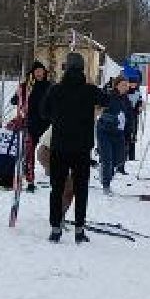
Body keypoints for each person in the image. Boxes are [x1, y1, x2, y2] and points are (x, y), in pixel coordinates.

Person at [42, 54, 102, 242]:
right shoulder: (90, 90)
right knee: (81, 189)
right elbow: (107, 100)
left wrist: (58, 117)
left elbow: (43, 112)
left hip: (59, 146)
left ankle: (55, 228)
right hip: (82, 148)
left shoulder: (56, 90)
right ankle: (79, 230)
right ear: (83, 69)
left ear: (66, 68)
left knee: (57, 188)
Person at [95, 74, 134, 192]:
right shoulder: (109, 96)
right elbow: (98, 108)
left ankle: (106, 175)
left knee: (119, 159)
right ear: (116, 86)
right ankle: (106, 184)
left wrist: (130, 131)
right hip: (104, 131)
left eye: (126, 85)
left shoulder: (126, 99)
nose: (125, 87)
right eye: (123, 85)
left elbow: (129, 116)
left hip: (119, 133)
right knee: (108, 159)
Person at [17, 61, 50, 190]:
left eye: (41, 71)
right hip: (30, 124)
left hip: (46, 125)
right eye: (36, 71)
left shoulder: (49, 86)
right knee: (29, 151)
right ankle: (29, 177)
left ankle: (53, 172)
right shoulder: (27, 86)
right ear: (32, 73)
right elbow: (17, 100)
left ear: (44, 72)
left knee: (49, 150)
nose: (39, 73)